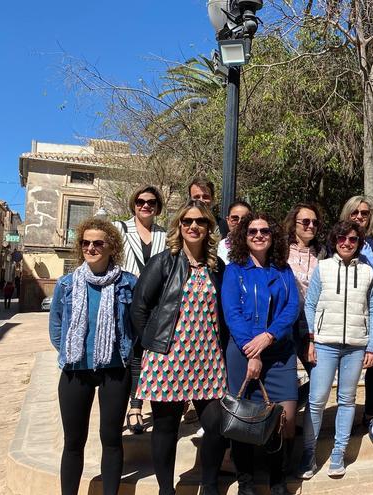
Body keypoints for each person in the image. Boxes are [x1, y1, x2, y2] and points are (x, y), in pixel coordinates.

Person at [131, 200, 228, 495]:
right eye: (187, 222)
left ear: (209, 227)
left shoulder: (217, 267)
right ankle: (165, 490)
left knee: (216, 425)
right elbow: (139, 307)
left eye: (200, 222)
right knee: (165, 428)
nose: (193, 227)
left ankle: (209, 485)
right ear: (179, 226)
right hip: (168, 358)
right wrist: (153, 345)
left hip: (208, 359)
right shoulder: (164, 261)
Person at [49, 218, 136, 495]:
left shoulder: (128, 283)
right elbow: (56, 328)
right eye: (86, 242)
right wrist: (72, 351)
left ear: (111, 246)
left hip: (114, 370)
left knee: (111, 439)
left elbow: (136, 325)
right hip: (77, 370)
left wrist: (126, 350)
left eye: (98, 242)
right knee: (73, 441)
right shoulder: (66, 284)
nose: (91, 247)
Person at [221, 213, 299, 495]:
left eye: (264, 230)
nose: (258, 235)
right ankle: (246, 484)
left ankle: (277, 481)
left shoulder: (283, 269)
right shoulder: (234, 270)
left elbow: (291, 308)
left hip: (279, 353)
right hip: (243, 353)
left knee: (284, 421)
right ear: (244, 236)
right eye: (252, 230)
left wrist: (268, 336)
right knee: (243, 419)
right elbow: (232, 313)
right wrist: (252, 350)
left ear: (272, 235)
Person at [299, 220, 373, 478]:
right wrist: (311, 339)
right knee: (317, 400)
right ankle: (308, 455)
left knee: (347, 400)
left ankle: (338, 454)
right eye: (342, 239)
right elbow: (310, 305)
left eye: (353, 240)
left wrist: (372, 346)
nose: (347, 243)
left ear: (358, 244)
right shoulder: (323, 268)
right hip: (325, 343)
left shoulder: (367, 272)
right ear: (335, 241)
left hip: (356, 346)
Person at [338, 195, 373, 441]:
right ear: (347, 215)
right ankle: (345, 418)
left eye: (365, 213)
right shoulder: (338, 243)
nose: (360, 217)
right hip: (346, 318)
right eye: (355, 213)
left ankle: (370, 415)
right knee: (346, 368)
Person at [113, 184, 168, 435]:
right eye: (140, 201)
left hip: (153, 303)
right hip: (124, 300)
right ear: (133, 204)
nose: (146, 205)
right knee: (125, 353)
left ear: (158, 207)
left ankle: (136, 407)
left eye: (151, 202)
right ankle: (119, 407)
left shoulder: (165, 235)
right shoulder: (119, 229)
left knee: (141, 353)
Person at [284, 202, 326, 403]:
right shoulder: (281, 252)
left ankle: (301, 416)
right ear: (294, 224)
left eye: (315, 222)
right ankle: (285, 427)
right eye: (306, 221)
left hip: (312, 324)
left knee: (320, 376)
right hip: (287, 324)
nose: (311, 226)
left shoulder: (323, 254)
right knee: (285, 379)